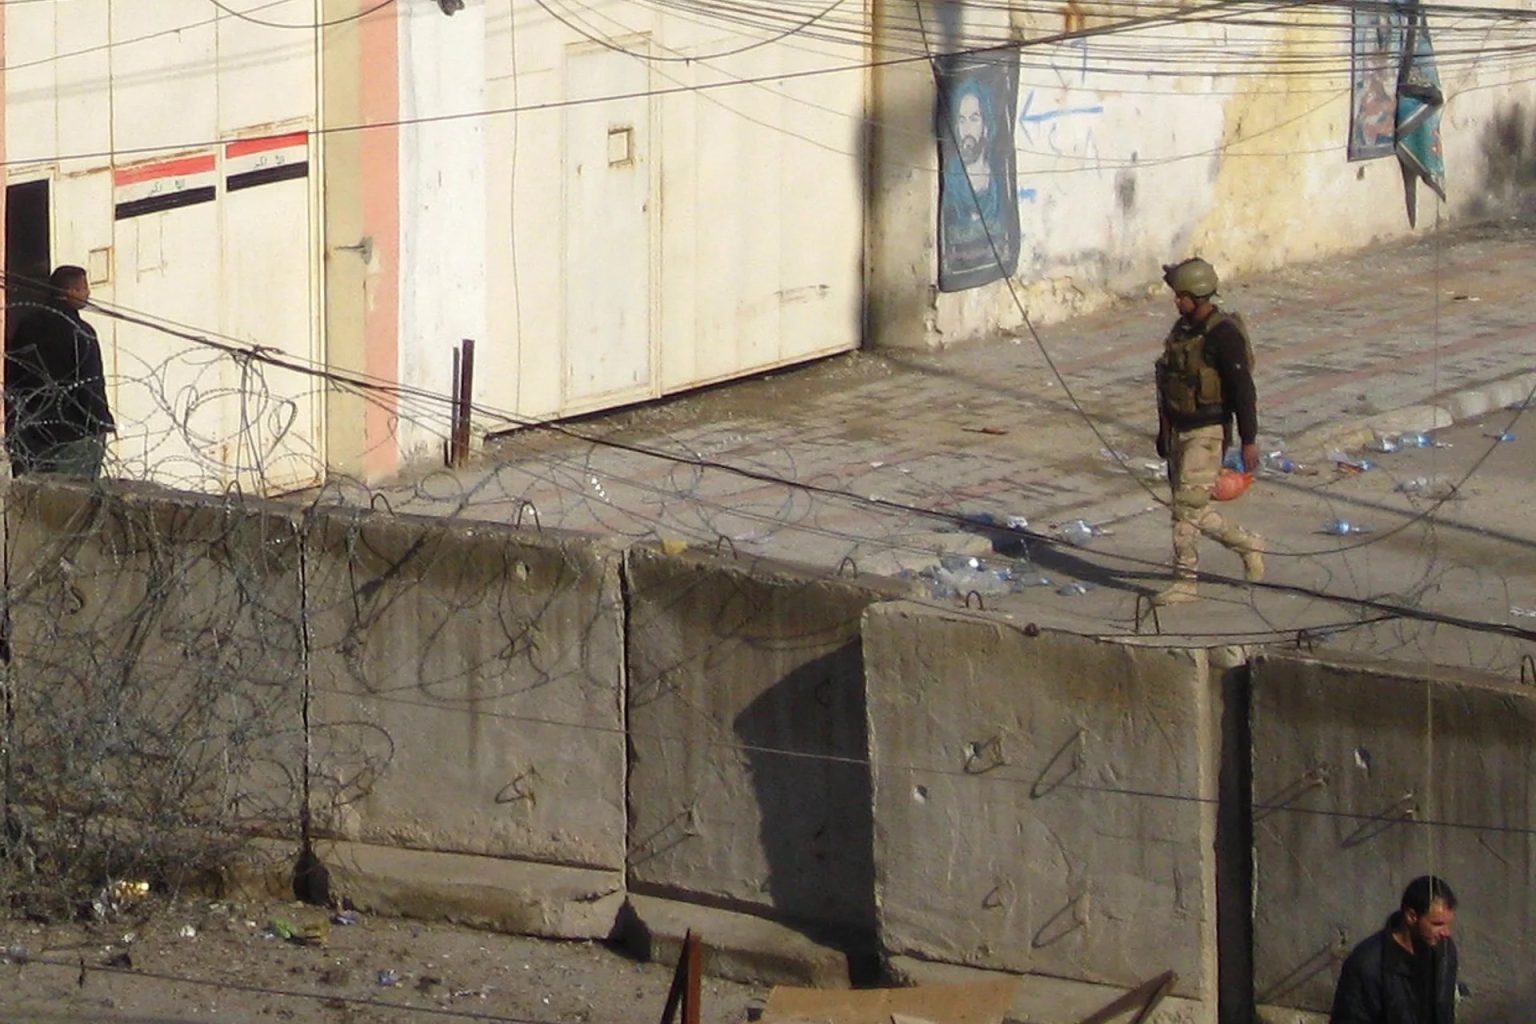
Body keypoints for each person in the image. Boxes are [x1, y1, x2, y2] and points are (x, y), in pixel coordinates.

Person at [1152, 257, 1265, 605]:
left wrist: (1249, 439)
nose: (1177, 301)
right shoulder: (1182, 332)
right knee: (1190, 508)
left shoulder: (1223, 335)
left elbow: (1242, 389)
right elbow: (1166, 384)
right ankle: (1247, 543)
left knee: (1186, 509)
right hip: (1180, 430)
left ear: (1198, 295)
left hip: (1208, 431)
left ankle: (1185, 581)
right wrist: (1163, 432)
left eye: (1181, 295)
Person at [4, 265, 114, 478]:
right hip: (73, 436)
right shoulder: (80, 331)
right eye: (83, 288)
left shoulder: (26, 326)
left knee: (32, 493)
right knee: (75, 493)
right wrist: (101, 421)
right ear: (71, 292)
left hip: (31, 432)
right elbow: (90, 385)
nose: (88, 293)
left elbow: (14, 377)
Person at [1330, 875, 1459, 1024]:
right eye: (1437, 924)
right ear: (1411, 916)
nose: (1446, 933)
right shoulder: (1367, 965)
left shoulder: (1444, 952)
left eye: (1448, 924)